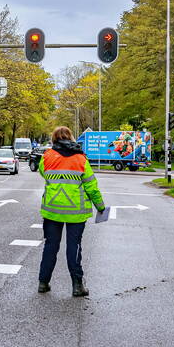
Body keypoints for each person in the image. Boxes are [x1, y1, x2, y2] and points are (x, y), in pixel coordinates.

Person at [32, 126, 106, 297]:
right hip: (76, 212)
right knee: (74, 247)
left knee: (50, 246)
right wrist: (100, 206)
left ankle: (43, 283)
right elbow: (91, 186)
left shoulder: (47, 157)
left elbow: (43, 173)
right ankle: (77, 286)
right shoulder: (81, 158)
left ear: (54, 139)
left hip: (52, 210)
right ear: (71, 138)